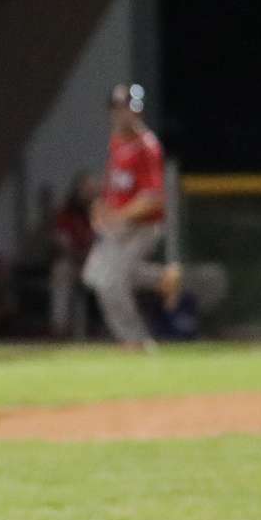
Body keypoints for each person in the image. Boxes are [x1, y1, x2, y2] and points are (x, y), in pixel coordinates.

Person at [82, 83, 178, 351]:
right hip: (119, 225)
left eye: (129, 108)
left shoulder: (147, 146)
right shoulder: (117, 141)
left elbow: (153, 198)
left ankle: (136, 340)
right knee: (93, 275)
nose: (123, 114)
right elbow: (116, 185)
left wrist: (117, 215)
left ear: (139, 111)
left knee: (111, 281)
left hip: (141, 227)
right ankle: (162, 278)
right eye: (118, 108)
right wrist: (102, 205)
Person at [49, 171, 100, 340]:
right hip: (74, 263)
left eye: (91, 189)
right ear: (77, 191)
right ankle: (60, 327)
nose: (89, 193)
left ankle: (113, 329)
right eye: (85, 189)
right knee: (61, 270)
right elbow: (62, 243)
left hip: (98, 264)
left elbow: (106, 243)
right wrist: (79, 259)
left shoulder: (101, 212)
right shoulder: (67, 213)